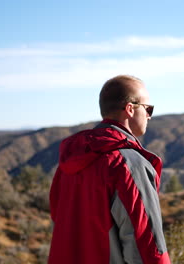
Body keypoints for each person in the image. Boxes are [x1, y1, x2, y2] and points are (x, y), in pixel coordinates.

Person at [48, 75, 171, 264]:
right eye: (149, 109)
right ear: (130, 109)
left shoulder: (67, 164)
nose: (149, 116)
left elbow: (58, 221)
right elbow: (146, 247)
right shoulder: (128, 165)